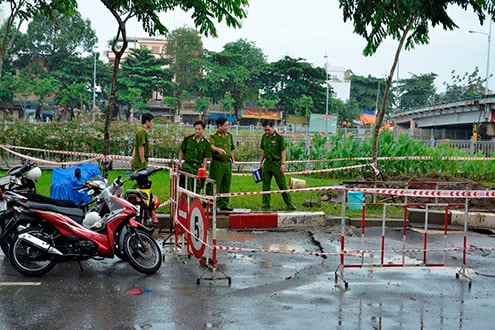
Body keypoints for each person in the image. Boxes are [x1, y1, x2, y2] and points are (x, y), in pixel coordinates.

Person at [259, 119, 296, 211]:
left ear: (272, 127)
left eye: (268, 129)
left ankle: (289, 203)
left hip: (276, 163)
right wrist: (261, 162)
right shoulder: (264, 137)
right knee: (265, 185)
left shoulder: (279, 137)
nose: (267, 132)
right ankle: (265, 205)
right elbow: (263, 150)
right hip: (267, 163)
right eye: (265, 130)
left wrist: (283, 164)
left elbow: (282, 151)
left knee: (282, 184)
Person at [209, 116, 235, 211]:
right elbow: (211, 146)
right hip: (217, 163)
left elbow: (231, 148)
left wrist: (233, 159)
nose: (227, 127)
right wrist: (217, 149)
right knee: (216, 184)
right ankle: (212, 204)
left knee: (226, 183)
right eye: (225, 126)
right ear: (219, 126)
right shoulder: (213, 136)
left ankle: (224, 204)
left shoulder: (229, 136)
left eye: (228, 125)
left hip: (227, 163)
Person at [178, 120, 212, 191]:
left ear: (203, 130)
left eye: (199, 129)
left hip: (198, 167)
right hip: (188, 166)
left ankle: (195, 201)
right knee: (187, 186)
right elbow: (181, 150)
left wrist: (204, 168)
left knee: (197, 187)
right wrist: (180, 162)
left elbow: (205, 157)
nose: (197, 131)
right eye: (196, 129)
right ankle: (187, 201)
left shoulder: (206, 143)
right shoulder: (188, 139)